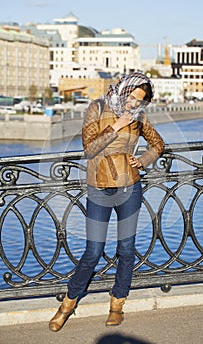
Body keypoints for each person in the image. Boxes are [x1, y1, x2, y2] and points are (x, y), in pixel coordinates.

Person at [49, 72, 165, 332]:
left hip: (130, 187)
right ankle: (67, 304)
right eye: (132, 97)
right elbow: (89, 148)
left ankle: (117, 304)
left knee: (126, 249)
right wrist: (116, 126)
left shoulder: (140, 117)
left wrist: (143, 161)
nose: (134, 104)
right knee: (93, 251)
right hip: (99, 188)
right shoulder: (97, 108)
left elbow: (158, 143)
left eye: (140, 101)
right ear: (124, 89)